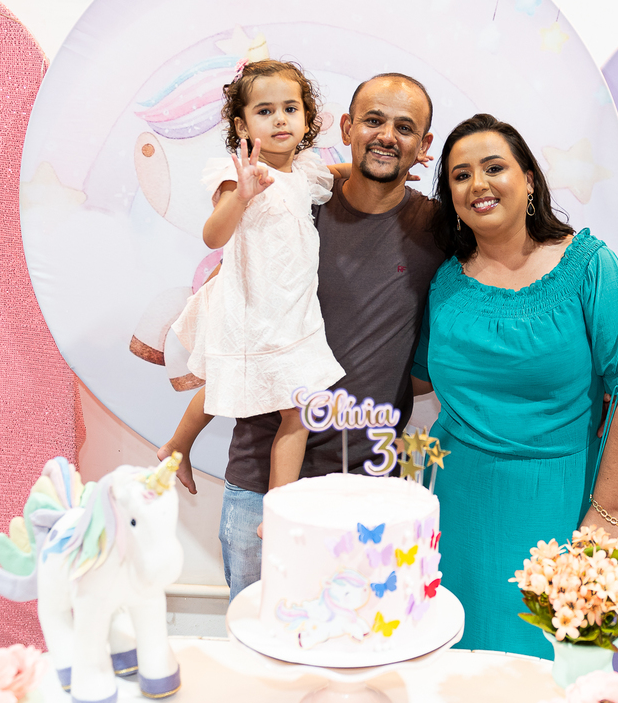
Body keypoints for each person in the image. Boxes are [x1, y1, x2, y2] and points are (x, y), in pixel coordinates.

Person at [411, 113, 618, 657]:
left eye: (493, 167)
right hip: (455, 504)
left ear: (528, 179)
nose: (477, 184)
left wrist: (605, 517)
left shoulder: (589, 266)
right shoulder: (445, 281)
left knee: (541, 667)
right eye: (460, 175)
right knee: (454, 663)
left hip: (560, 504)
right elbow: (413, 379)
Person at [215, 73, 445, 600]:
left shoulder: (437, 228)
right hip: (259, 482)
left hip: (367, 489)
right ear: (346, 128)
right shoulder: (292, 203)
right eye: (373, 120)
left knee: (358, 643)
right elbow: (233, 305)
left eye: (404, 127)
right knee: (262, 640)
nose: (386, 135)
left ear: (423, 145)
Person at [157, 59, 345, 500]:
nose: (280, 119)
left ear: (307, 119)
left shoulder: (305, 171)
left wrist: (390, 170)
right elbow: (213, 236)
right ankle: (275, 504)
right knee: (275, 399)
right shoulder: (239, 175)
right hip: (252, 305)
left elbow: (336, 174)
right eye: (265, 111)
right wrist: (241, 196)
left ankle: (179, 447)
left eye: (290, 109)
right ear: (242, 125)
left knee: (279, 401)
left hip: (291, 309)